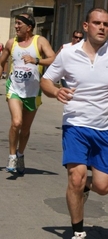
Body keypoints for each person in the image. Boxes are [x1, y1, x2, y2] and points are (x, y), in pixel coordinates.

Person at [40, 7, 108, 239]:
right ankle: (78, 233)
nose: (102, 27)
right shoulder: (68, 54)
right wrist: (56, 91)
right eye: (97, 23)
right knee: (76, 177)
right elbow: (46, 81)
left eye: (106, 24)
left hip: (105, 127)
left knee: (104, 186)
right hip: (75, 124)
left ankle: (83, 188)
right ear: (86, 26)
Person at [0, 13, 55, 174]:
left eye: (19, 24)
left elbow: (53, 58)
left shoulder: (40, 41)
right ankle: (12, 156)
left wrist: (36, 60)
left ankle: (20, 154)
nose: (16, 26)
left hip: (32, 92)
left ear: (29, 27)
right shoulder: (12, 43)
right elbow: (2, 61)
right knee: (16, 122)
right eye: (16, 23)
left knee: (25, 129)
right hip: (14, 89)